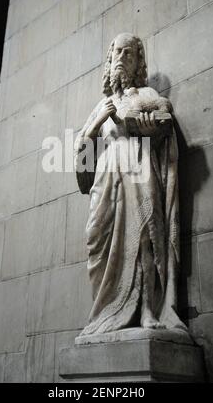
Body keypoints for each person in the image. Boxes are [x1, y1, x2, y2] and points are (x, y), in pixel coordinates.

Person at [74, 33, 186, 336]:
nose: (122, 58)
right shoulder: (100, 107)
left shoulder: (146, 94)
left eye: (129, 54)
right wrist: (97, 125)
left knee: (145, 238)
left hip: (139, 172)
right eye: (117, 54)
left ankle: (148, 310)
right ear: (110, 62)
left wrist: (155, 129)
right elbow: (83, 163)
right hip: (105, 180)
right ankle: (103, 313)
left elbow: (165, 119)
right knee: (96, 238)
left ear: (137, 63)